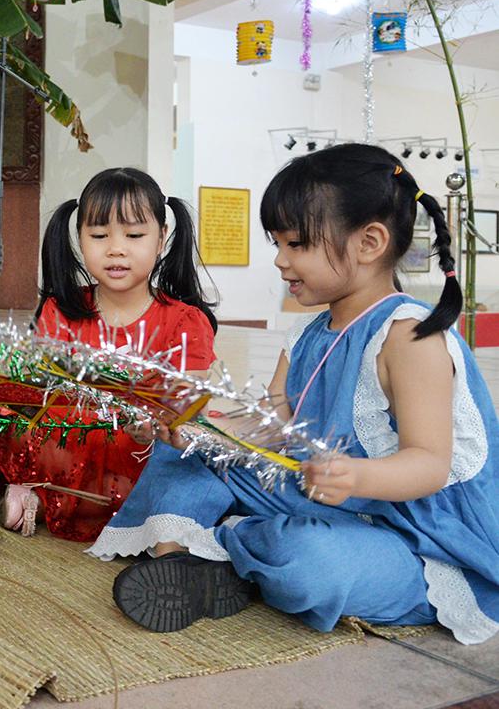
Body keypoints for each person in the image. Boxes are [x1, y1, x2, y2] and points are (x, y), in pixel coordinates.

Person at [90, 145, 499, 644]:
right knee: (183, 460)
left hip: (413, 534)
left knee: (310, 564)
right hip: (319, 497)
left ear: (369, 242)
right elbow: (272, 423)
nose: (281, 261)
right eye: (278, 244)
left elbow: (431, 464)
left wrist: (358, 475)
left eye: (297, 244)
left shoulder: (408, 335)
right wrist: (194, 431)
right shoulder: (306, 335)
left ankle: (222, 544)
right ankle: (181, 557)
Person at [0, 167, 218, 541]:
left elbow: (190, 410)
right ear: (80, 239)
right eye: (99, 235)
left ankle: (42, 494)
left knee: (191, 465)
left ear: (162, 238)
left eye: (134, 235)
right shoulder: (60, 309)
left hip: (144, 451)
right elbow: (38, 393)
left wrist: (156, 426)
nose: (116, 248)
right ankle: (37, 487)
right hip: (68, 441)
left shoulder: (185, 321)